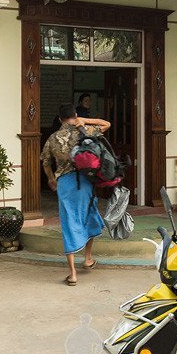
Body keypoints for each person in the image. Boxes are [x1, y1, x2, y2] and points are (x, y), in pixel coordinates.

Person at [41, 104, 110, 286]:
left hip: (64, 183)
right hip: (86, 181)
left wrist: (51, 179)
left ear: (59, 118)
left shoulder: (53, 138)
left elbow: (46, 162)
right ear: (76, 115)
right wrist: (86, 120)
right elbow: (107, 124)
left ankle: (72, 274)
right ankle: (87, 258)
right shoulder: (85, 130)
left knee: (69, 221)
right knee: (89, 215)